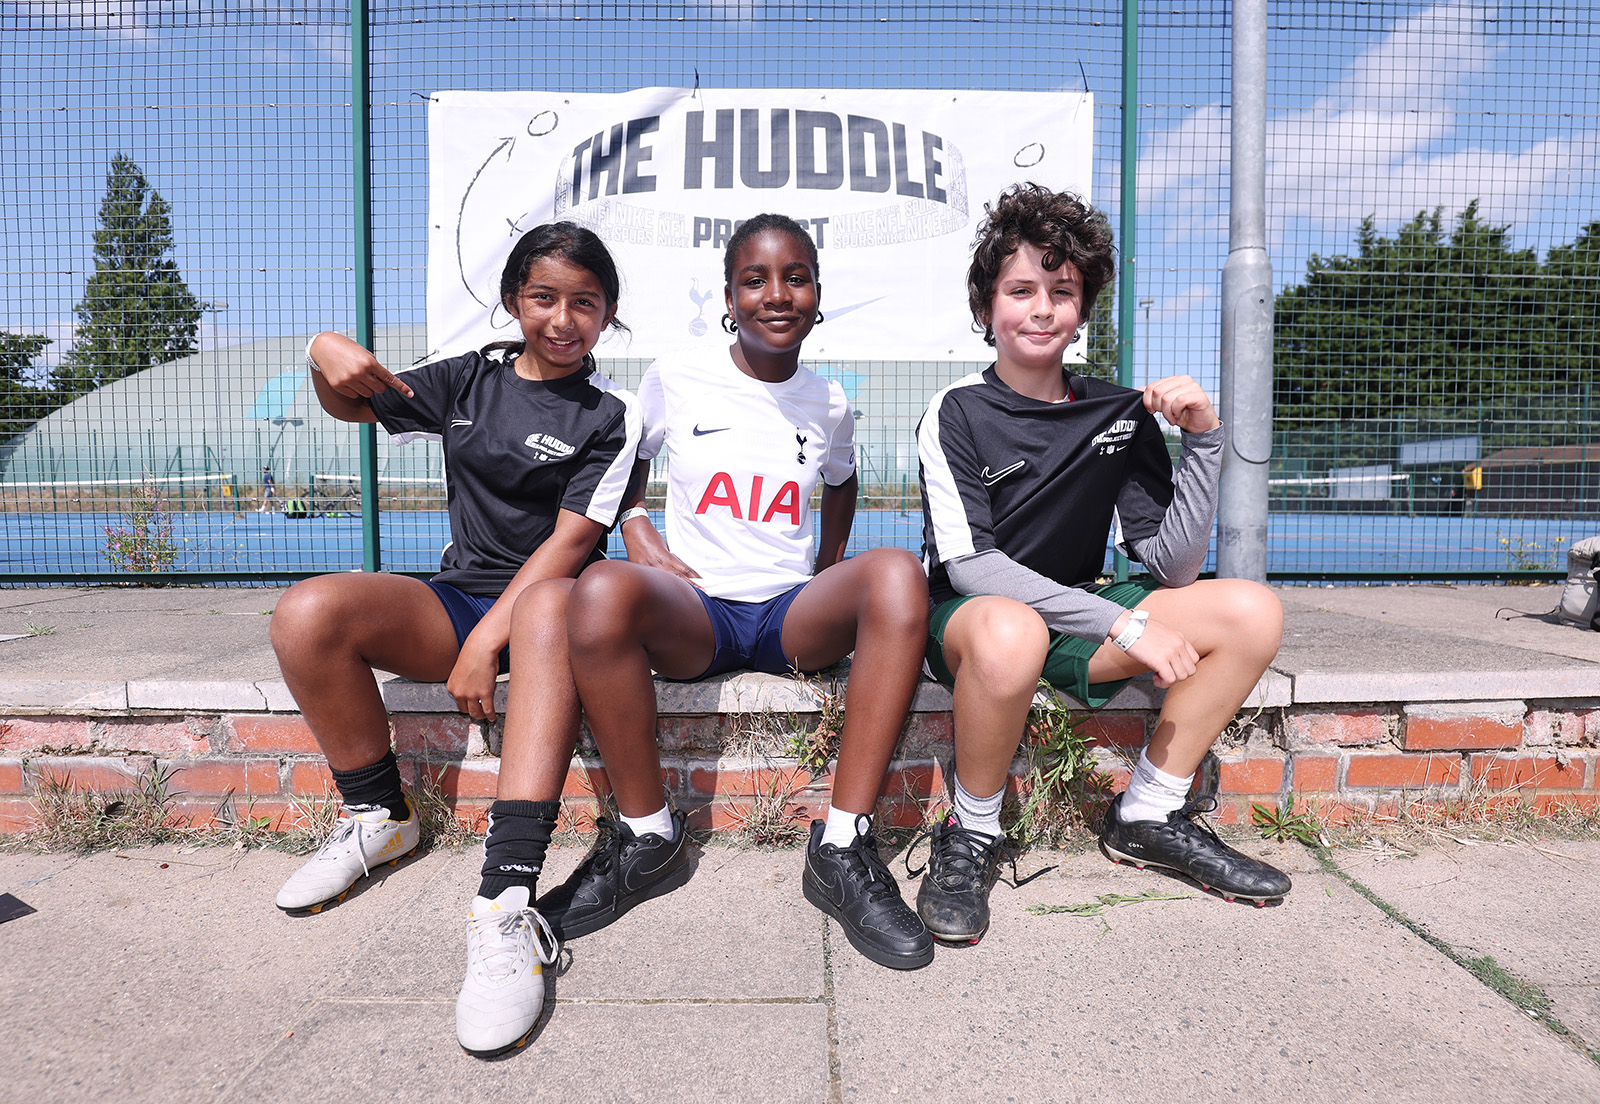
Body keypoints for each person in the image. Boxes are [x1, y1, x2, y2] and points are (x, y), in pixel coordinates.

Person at [267, 222, 641, 1057]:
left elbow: (570, 546)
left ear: (608, 313)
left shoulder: (612, 414)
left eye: (585, 302)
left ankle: (505, 903)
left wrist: (485, 646)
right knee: (307, 612)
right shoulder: (470, 377)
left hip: (554, 616)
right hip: (459, 601)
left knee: (551, 606)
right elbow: (353, 402)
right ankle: (380, 817)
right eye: (544, 298)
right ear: (513, 301)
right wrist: (323, 350)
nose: (563, 319)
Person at [543, 213, 934, 971]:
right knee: (597, 590)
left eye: (796, 278)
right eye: (755, 280)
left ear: (817, 295)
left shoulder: (829, 402)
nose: (777, 294)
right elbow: (625, 462)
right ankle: (649, 837)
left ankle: (842, 846)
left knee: (896, 573)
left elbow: (842, 481)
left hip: (789, 617)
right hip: (698, 611)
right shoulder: (676, 376)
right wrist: (636, 528)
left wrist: (828, 567)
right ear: (729, 298)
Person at [913, 182, 1291, 946]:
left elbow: (1172, 566)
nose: (1042, 309)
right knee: (1011, 630)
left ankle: (1147, 813)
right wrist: (1125, 623)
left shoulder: (1119, 413)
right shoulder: (955, 411)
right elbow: (974, 568)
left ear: (1082, 309)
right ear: (987, 306)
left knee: (1252, 611)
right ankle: (974, 829)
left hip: (1077, 617)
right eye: (1021, 290)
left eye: (1063, 292)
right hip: (977, 624)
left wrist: (1204, 441)